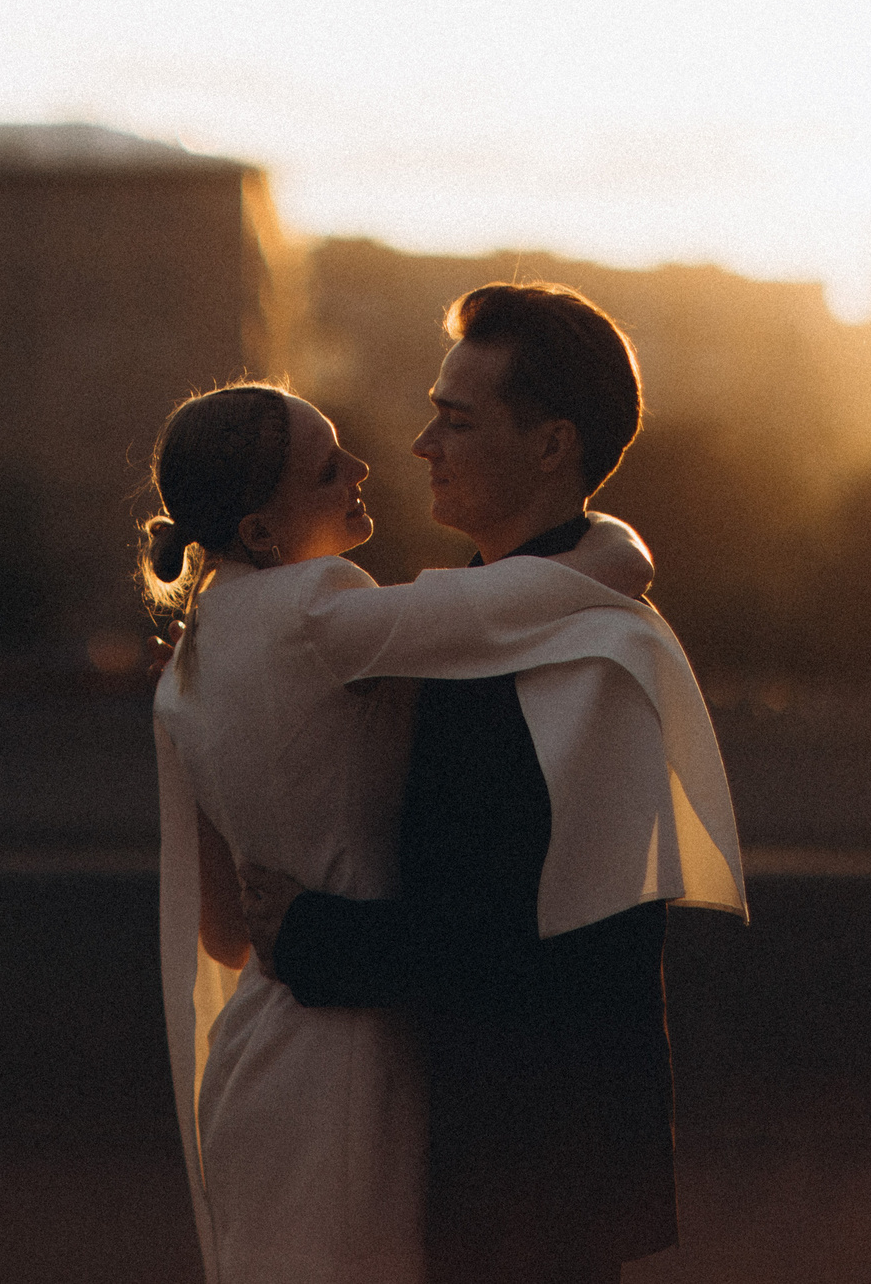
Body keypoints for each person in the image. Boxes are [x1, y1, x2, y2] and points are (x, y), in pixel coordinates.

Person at [236, 284, 747, 1284]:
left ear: (552, 445)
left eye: (457, 420)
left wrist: (308, 932)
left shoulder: (589, 654)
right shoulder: (485, 621)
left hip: (530, 1185)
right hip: (492, 1166)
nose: (422, 444)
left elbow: (530, 943)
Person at [145, 382, 668, 1284]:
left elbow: (226, 932)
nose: (362, 468)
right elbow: (529, 598)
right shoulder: (319, 607)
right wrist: (622, 537)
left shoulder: (186, 665)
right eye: (326, 469)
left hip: (255, 1059)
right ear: (262, 531)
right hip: (355, 1061)